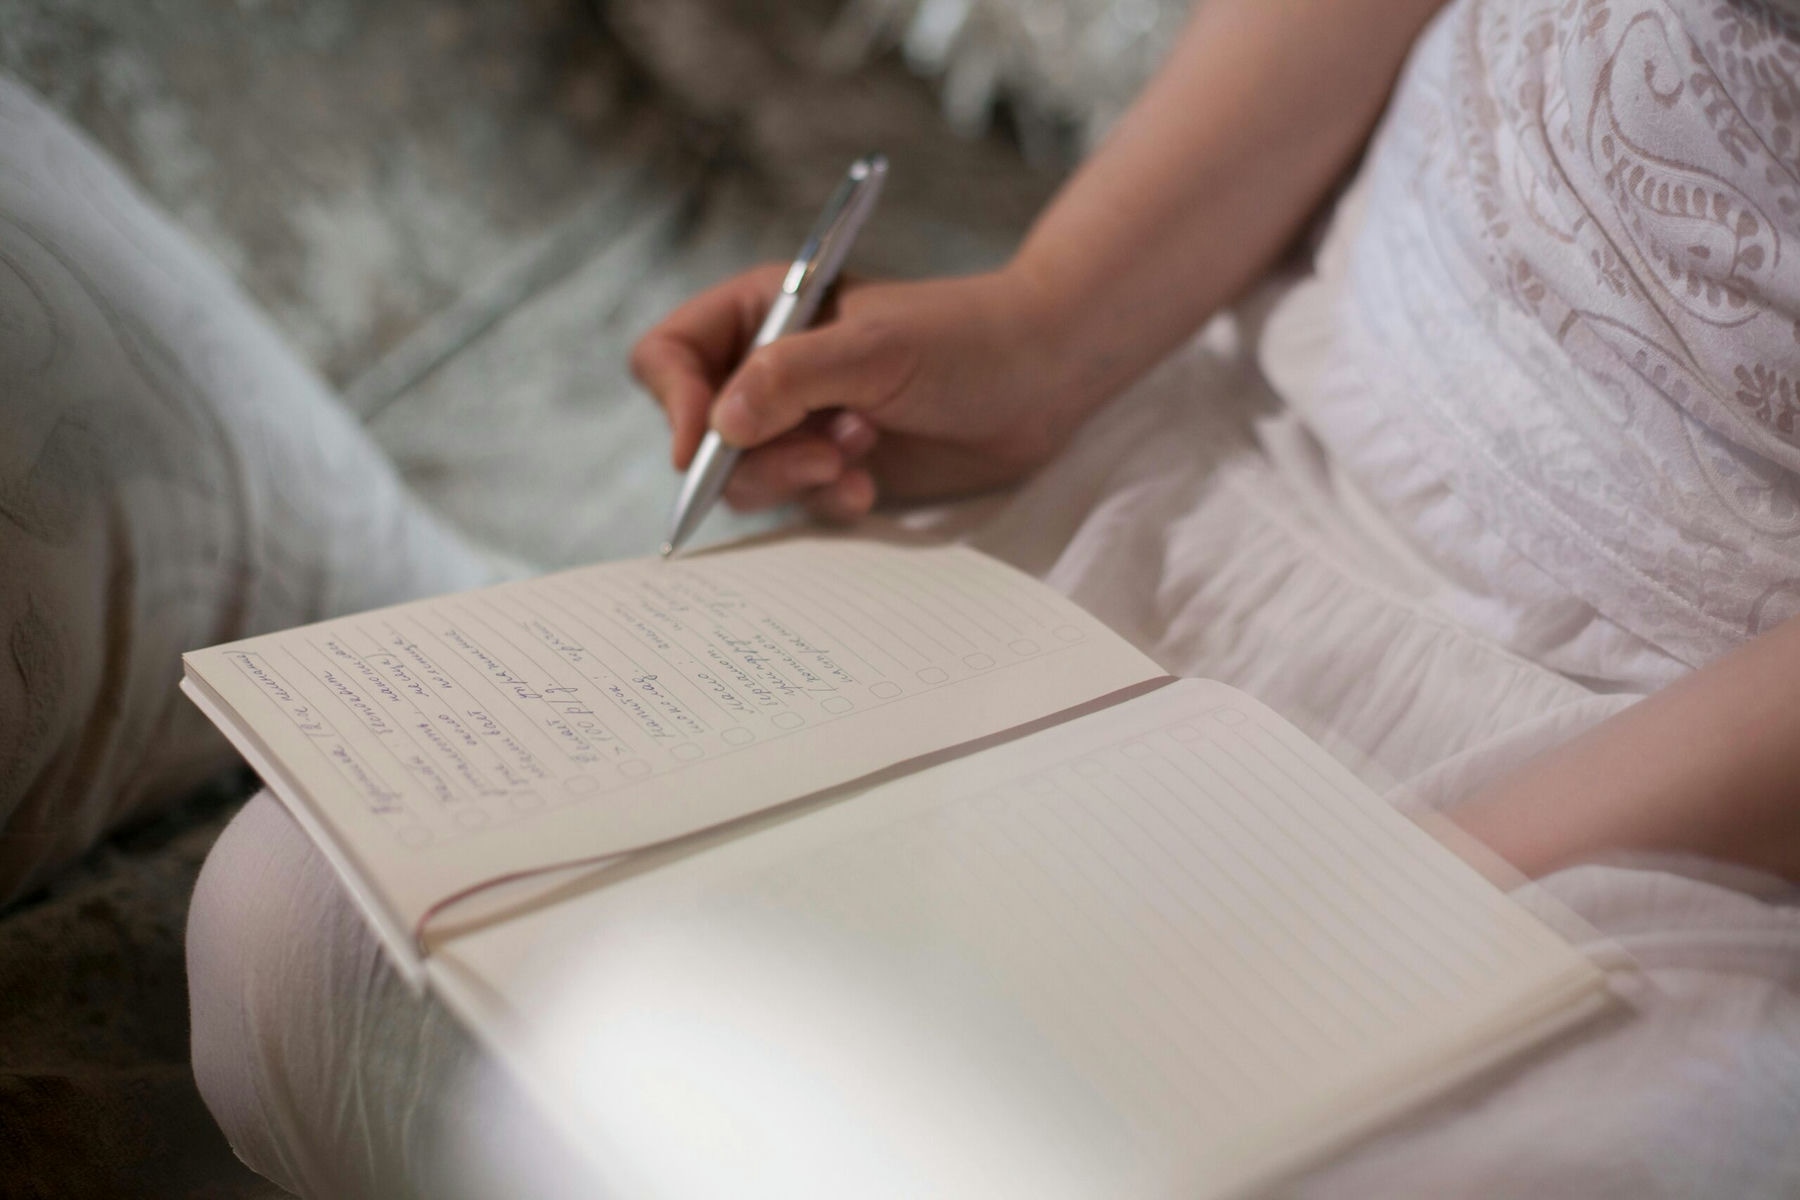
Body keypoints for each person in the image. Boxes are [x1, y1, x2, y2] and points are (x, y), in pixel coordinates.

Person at [179, 0, 1800, 1194]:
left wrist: (1405, 896)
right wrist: (1046, 328)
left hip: (1691, 778)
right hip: (1264, 442)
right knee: (320, 934)